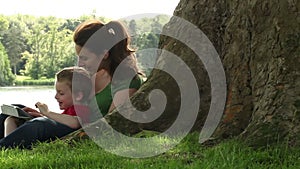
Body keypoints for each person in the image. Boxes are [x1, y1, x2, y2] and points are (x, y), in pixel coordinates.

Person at [0, 19, 144, 149]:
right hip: (71, 122)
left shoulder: (127, 81)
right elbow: (72, 109)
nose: (80, 64)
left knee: (37, 126)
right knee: (13, 113)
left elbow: (110, 123)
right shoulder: (89, 76)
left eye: (85, 58)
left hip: (82, 129)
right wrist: (45, 115)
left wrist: (48, 117)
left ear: (105, 54)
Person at [0, 67, 92, 148]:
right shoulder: (69, 109)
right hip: (51, 130)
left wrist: (48, 113)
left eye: (61, 93)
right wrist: (41, 115)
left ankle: (4, 146)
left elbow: (76, 122)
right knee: (13, 114)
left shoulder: (82, 109)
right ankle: (7, 144)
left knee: (35, 124)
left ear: (78, 96)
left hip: (52, 133)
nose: (56, 96)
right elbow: (60, 121)